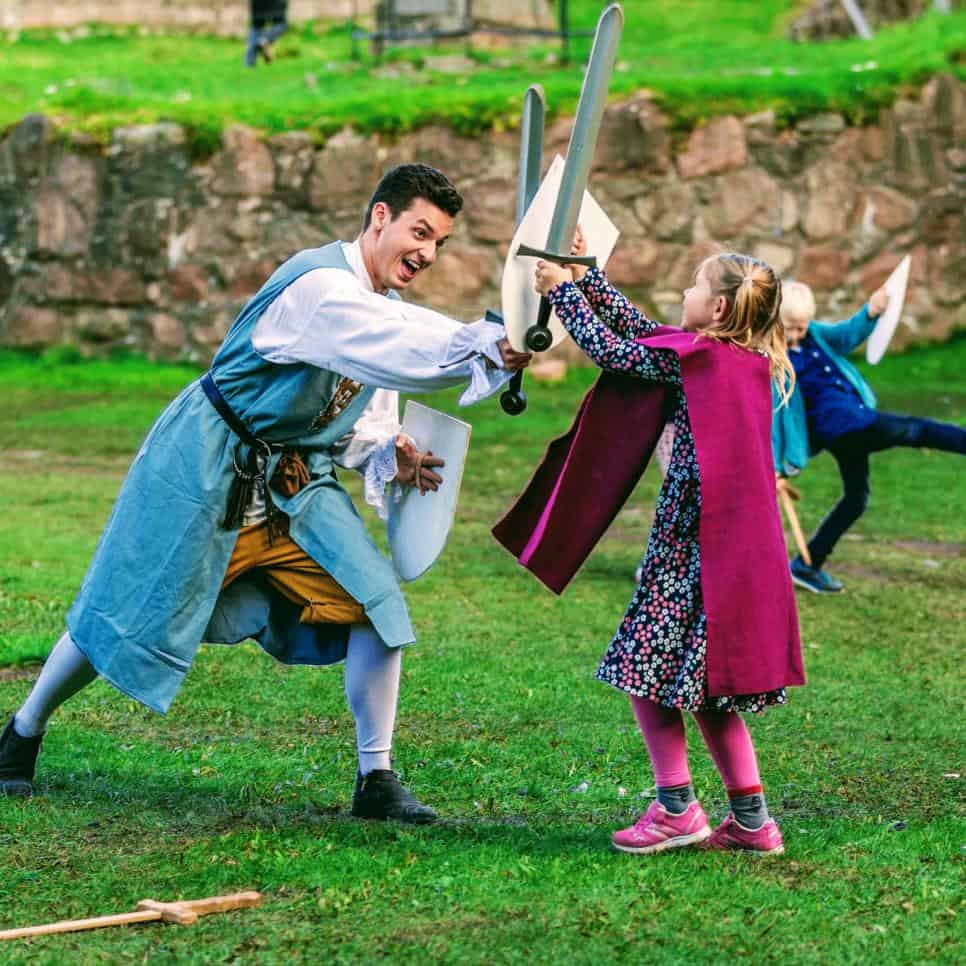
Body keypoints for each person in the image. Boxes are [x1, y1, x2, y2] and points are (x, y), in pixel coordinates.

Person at [0, 164, 531, 823]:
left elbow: (363, 407)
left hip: (293, 488)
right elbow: (391, 342)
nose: (425, 252)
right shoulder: (320, 287)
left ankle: (377, 778)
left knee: (376, 606)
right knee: (124, 607)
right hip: (203, 469)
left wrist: (390, 452)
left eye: (439, 242)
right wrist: (484, 342)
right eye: (419, 231)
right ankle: (22, 732)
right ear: (379, 218)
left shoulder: (379, 309)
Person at [499, 247, 803, 856]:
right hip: (725, 557)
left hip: (697, 554)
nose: (684, 291)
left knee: (646, 672)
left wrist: (562, 291)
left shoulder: (707, 361)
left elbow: (620, 351)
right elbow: (645, 330)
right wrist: (589, 279)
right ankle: (751, 821)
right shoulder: (736, 360)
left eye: (693, 284)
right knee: (705, 689)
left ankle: (676, 809)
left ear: (717, 307)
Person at [773, 280, 966, 594]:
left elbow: (847, 335)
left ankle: (808, 565)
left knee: (856, 498)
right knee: (918, 429)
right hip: (846, 425)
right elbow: (771, 416)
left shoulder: (816, 336)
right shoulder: (773, 362)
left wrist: (872, 311)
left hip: (851, 426)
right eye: (788, 328)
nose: (795, 334)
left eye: (800, 327)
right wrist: (772, 463)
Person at [246, 0, 288, 67]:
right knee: (281, 25)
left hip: (258, 5)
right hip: (275, 4)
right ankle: (265, 38)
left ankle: (249, 63)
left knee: (256, 28)